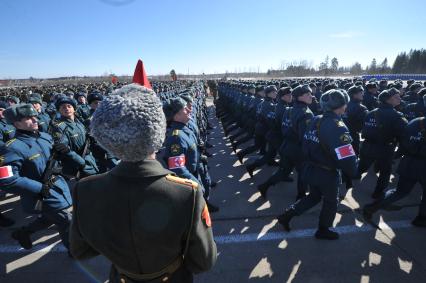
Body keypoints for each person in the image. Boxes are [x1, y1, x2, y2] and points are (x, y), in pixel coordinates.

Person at [69, 84, 217, 283]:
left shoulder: (85, 190)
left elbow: (81, 250)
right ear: (157, 131)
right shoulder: (186, 192)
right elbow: (204, 261)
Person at [278, 89, 358, 240]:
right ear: (341, 106)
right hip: (327, 172)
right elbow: (346, 157)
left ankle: (287, 215)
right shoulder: (338, 126)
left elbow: (305, 142)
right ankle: (323, 229)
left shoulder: (316, 119)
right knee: (330, 202)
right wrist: (353, 170)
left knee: (314, 196)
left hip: (311, 167)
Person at [0, 104, 72, 249]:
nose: (35, 119)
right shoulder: (12, 147)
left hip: (58, 186)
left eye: (34, 116)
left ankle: (23, 233)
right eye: (28, 118)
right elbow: (5, 179)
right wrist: (39, 188)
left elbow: (52, 160)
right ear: (16, 123)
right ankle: (74, 250)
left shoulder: (45, 137)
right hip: (40, 195)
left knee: (49, 218)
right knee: (67, 221)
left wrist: (63, 150)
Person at [363, 116, 426, 227]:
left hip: (408, 163)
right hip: (418, 163)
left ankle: (371, 207)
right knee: (400, 192)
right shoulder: (416, 123)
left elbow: (403, 142)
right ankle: (422, 218)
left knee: (400, 192)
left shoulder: (415, 122)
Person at [357, 88, 408, 199]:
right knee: (385, 172)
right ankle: (378, 193)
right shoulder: (397, 116)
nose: (399, 98)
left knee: (361, 167)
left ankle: (344, 180)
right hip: (385, 149)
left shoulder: (371, 113)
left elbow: (364, 130)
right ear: (388, 100)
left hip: (367, 146)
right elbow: (404, 134)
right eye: (396, 96)